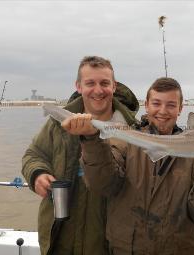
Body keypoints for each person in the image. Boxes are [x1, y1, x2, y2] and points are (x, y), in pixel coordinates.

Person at [63, 77, 194, 255]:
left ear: (180, 109)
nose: (163, 111)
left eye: (171, 105)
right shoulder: (124, 143)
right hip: (127, 249)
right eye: (156, 103)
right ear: (146, 105)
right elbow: (103, 185)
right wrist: (91, 140)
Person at [22, 56, 139, 255]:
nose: (98, 90)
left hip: (108, 241)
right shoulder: (59, 121)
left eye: (104, 83)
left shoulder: (133, 130)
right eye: (90, 83)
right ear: (78, 86)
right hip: (59, 237)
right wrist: (37, 174)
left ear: (114, 86)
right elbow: (33, 154)